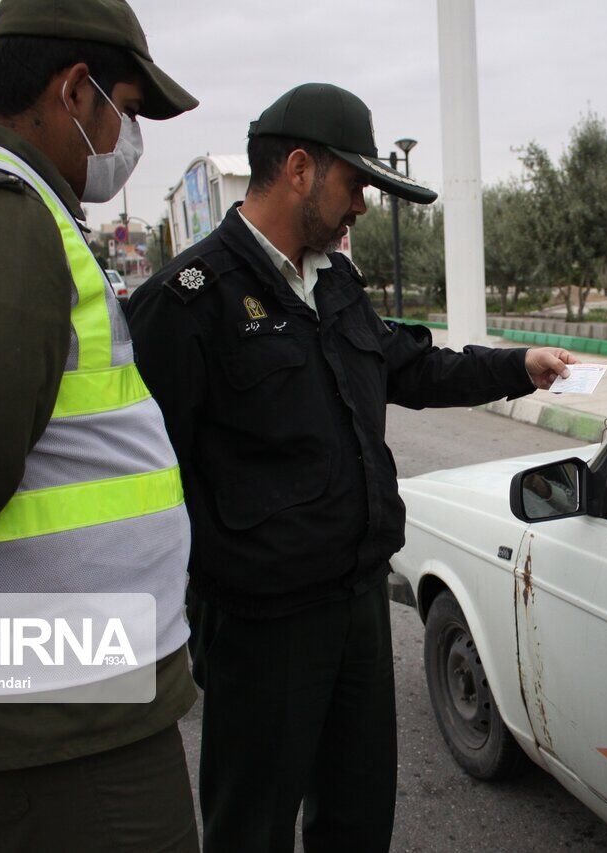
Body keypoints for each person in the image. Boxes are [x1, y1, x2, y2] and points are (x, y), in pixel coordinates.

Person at [125, 82, 576, 852]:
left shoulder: (333, 280)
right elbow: (149, 485)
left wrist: (517, 365)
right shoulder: (189, 300)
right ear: (300, 168)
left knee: (357, 817)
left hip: (360, 605)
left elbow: (409, 364)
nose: (363, 204)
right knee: (251, 827)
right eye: (356, 183)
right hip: (263, 627)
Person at [0, 1, 200, 849]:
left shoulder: (14, 210)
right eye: (127, 111)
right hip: (48, 717)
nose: (128, 138)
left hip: (67, 692)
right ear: (73, 90)